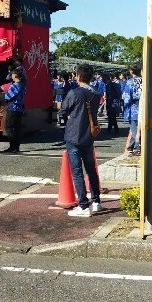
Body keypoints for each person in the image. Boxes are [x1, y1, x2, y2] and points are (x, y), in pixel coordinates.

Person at [59, 65, 103, 217]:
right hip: (89, 136)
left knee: (77, 173)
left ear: (78, 77)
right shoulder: (96, 94)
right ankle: (96, 201)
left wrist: (69, 117)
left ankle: (83, 206)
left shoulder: (74, 93)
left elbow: (63, 111)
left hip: (74, 136)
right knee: (91, 170)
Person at [2, 68, 26, 153]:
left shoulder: (15, 85)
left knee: (8, 127)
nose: (11, 76)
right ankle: (16, 147)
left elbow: (8, 97)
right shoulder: (23, 86)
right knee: (16, 128)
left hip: (13, 108)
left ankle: (13, 146)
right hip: (19, 108)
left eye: (12, 74)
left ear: (15, 75)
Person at [123, 64, 142, 156]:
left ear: (131, 71)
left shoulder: (130, 82)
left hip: (134, 107)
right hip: (144, 106)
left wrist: (125, 106)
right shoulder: (144, 80)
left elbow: (127, 96)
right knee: (138, 128)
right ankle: (130, 147)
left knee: (134, 128)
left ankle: (138, 148)